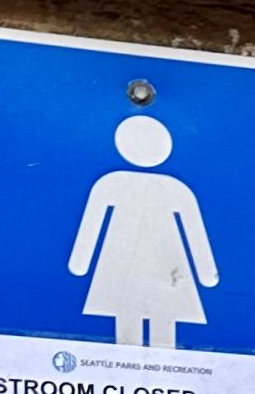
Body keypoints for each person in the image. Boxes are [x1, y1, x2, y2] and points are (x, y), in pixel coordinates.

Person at [67, 113, 218, 347]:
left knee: (136, 308)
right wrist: (207, 274)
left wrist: (80, 265)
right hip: (149, 261)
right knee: (140, 310)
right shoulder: (173, 188)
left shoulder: (113, 182)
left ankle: (149, 367)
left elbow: (194, 230)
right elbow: (195, 233)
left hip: (157, 265)